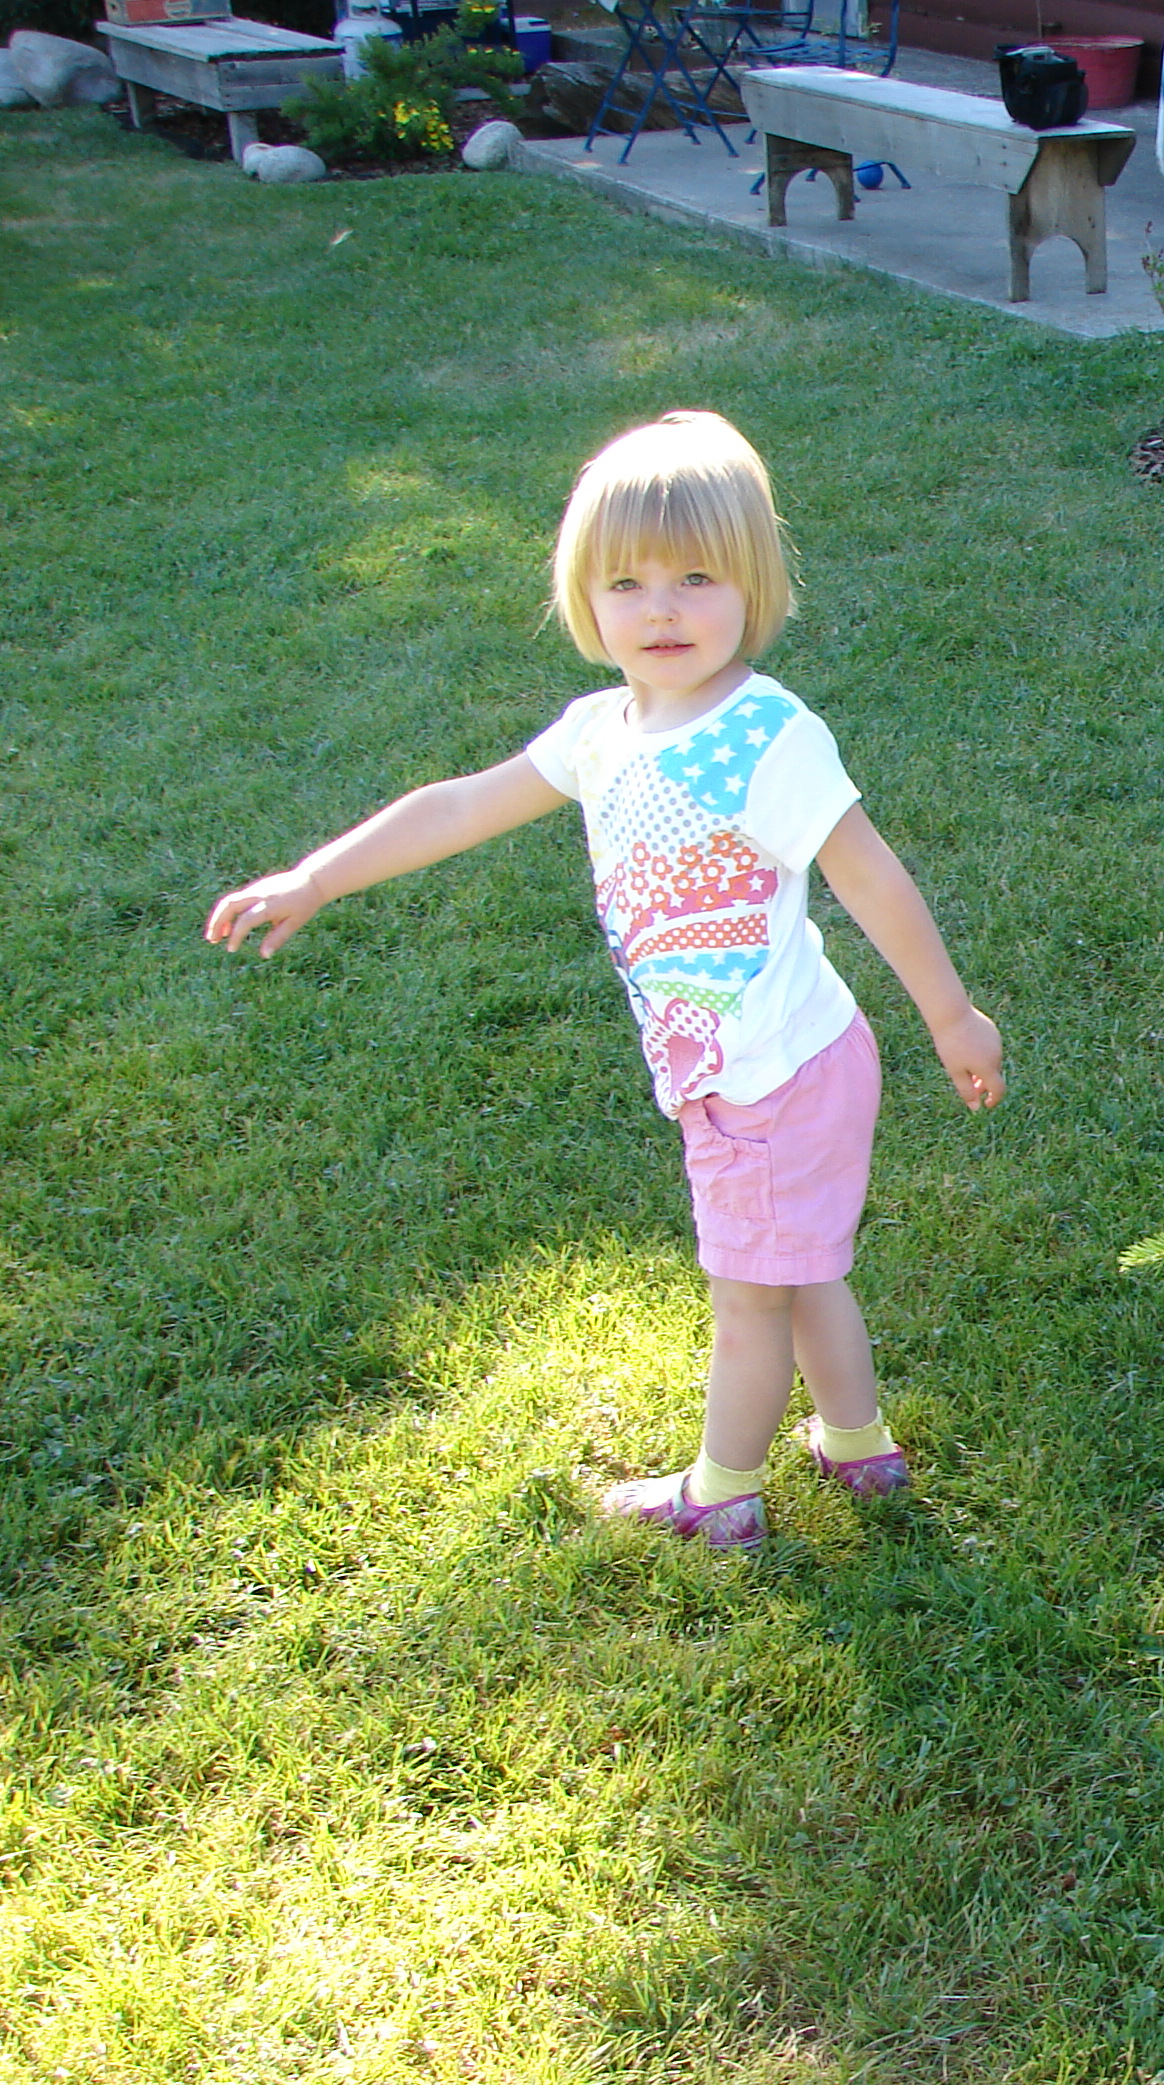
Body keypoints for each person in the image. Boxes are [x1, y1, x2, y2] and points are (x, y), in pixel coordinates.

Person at [203, 410, 1003, 1553]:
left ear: (754, 586)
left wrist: (951, 1013)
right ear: (584, 600)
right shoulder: (603, 733)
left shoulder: (761, 735)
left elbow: (867, 875)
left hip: (773, 1076)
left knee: (748, 1299)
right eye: (625, 583)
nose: (662, 608)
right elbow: (464, 802)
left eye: (694, 577)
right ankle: (857, 1442)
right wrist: (320, 877)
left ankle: (721, 1490)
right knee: (800, 1268)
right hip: (754, 1064)